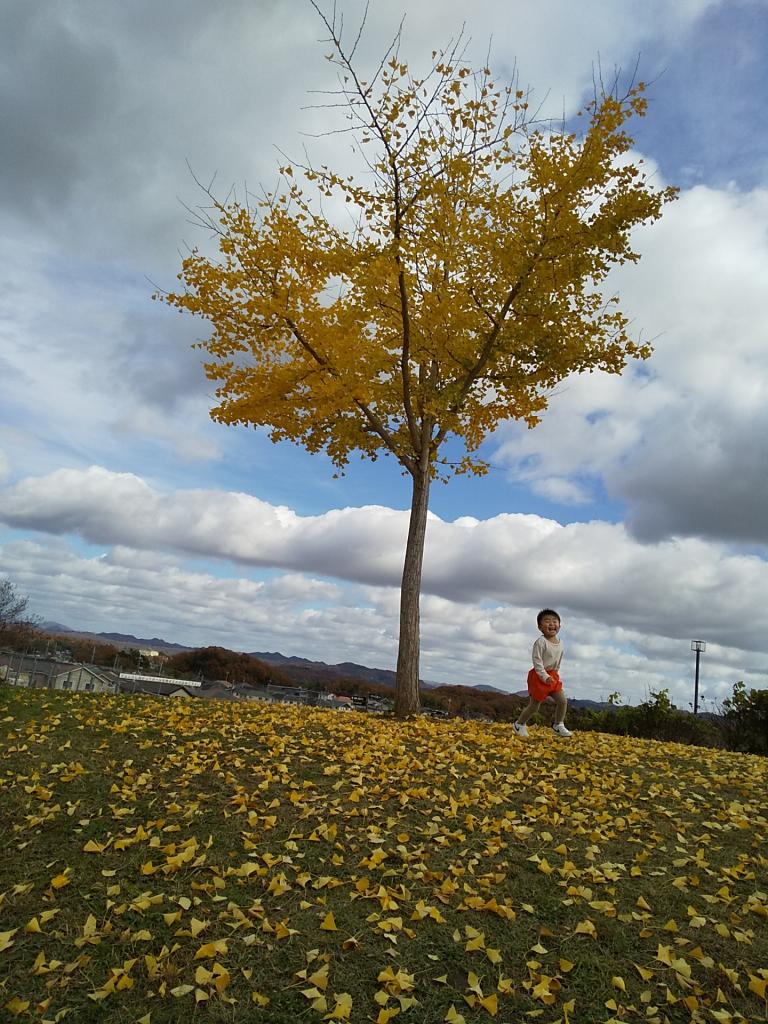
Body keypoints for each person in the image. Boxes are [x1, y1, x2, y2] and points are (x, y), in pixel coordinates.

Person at [513, 608, 572, 738]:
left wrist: (555, 674)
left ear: (559, 626)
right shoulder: (540, 642)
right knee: (534, 707)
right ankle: (519, 724)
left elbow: (558, 660)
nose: (551, 624)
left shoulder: (561, 643)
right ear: (540, 627)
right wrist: (545, 677)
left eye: (554, 621)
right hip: (539, 676)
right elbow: (537, 662)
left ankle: (558, 725)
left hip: (552, 676)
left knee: (562, 701)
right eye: (547, 621)